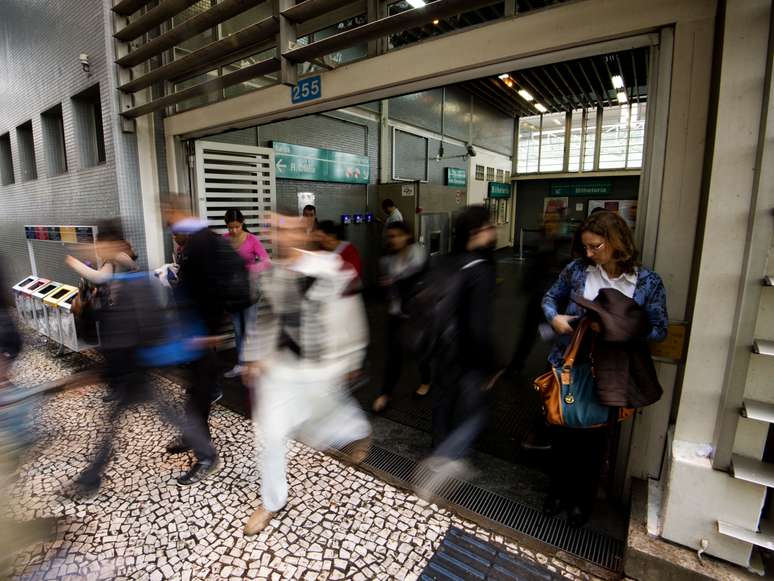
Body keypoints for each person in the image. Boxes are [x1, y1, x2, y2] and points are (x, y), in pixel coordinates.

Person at [241, 214, 371, 536]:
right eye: (277, 230)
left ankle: (355, 427)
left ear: (304, 231)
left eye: (290, 229)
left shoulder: (330, 268)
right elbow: (267, 319)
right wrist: (253, 358)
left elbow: (351, 313)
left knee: (320, 421)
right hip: (283, 366)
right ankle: (272, 500)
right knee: (269, 434)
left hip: (322, 364)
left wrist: (354, 356)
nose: (283, 236)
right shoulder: (270, 275)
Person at [63, 220, 212, 496]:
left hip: (133, 368)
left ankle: (206, 455)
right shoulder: (108, 280)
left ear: (117, 247)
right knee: (136, 419)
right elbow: (103, 321)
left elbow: (142, 329)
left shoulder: (132, 281)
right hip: (126, 368)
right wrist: (83, 308)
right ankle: (92, 477)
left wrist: (115, 368)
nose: (99, 250)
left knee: (160, 417)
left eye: (104, 245)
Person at [541, 210, 667, 527]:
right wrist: (553, 318)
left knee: (594, 445)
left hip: (612, 373)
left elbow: (659, 329)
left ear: (616, 242)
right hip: (569, 365)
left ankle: (581, 502)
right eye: (585, 247)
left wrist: (621, 331)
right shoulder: (578, 270)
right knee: (560, 435)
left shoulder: (647, 282)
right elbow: (549, 298)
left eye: (595, 246)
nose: (588, 253)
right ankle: (556, 493)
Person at [413, 206, 499, 499]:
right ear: (477, 232)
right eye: (490, 227)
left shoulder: (444, 262)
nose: (494, 232)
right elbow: (478, 325)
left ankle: (437, 448)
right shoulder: (481, 271)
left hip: (440, 350)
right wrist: (490, 364)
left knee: (442, 400)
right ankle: (446, 459)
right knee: (475, 412)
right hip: (467, 354)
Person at [162, 195, 244, 486]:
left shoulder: (202, 243)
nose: (170, 226)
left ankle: (207, 457)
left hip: (201, 337)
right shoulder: (196, 243)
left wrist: (208, 331)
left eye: (171, 218)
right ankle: (193, 438)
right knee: (195, 392)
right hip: (193, 334)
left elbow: (212, 289)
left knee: (197, 398)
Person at [67, 222, 139, 403]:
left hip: (121, 315)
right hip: (114, 314)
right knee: (112, 352)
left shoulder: (118, 257)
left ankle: (123, 389)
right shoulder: (111, 260)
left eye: (100, 245)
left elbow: (100, 277)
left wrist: (74, 262)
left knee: (117, 352)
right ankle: (121, 387)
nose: (97, 249)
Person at [372, 221, 431, 412]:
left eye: (396, 235)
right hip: (396, 313)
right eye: (390, 236)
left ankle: (427, 380)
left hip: (416, 314)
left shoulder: (419, 255)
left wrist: (396, 282)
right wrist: (388, 286)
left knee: (420, 350)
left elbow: (420, 283)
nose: (393, 240)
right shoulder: (388, 260)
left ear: (407, 236)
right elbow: (387, 289)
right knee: (393, 354)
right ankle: (385, 393)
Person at [222, 208, 272, 379]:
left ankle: (253, 364)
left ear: (242, 223)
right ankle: (241, 364)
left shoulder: (252, 239)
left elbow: (266, 261)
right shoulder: (224, 240)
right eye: (230, 227)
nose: (233, 231)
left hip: (250, 291)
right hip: (232, 293)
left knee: (250, 329)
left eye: (236, 226)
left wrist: (248, 269)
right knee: (237, 329)